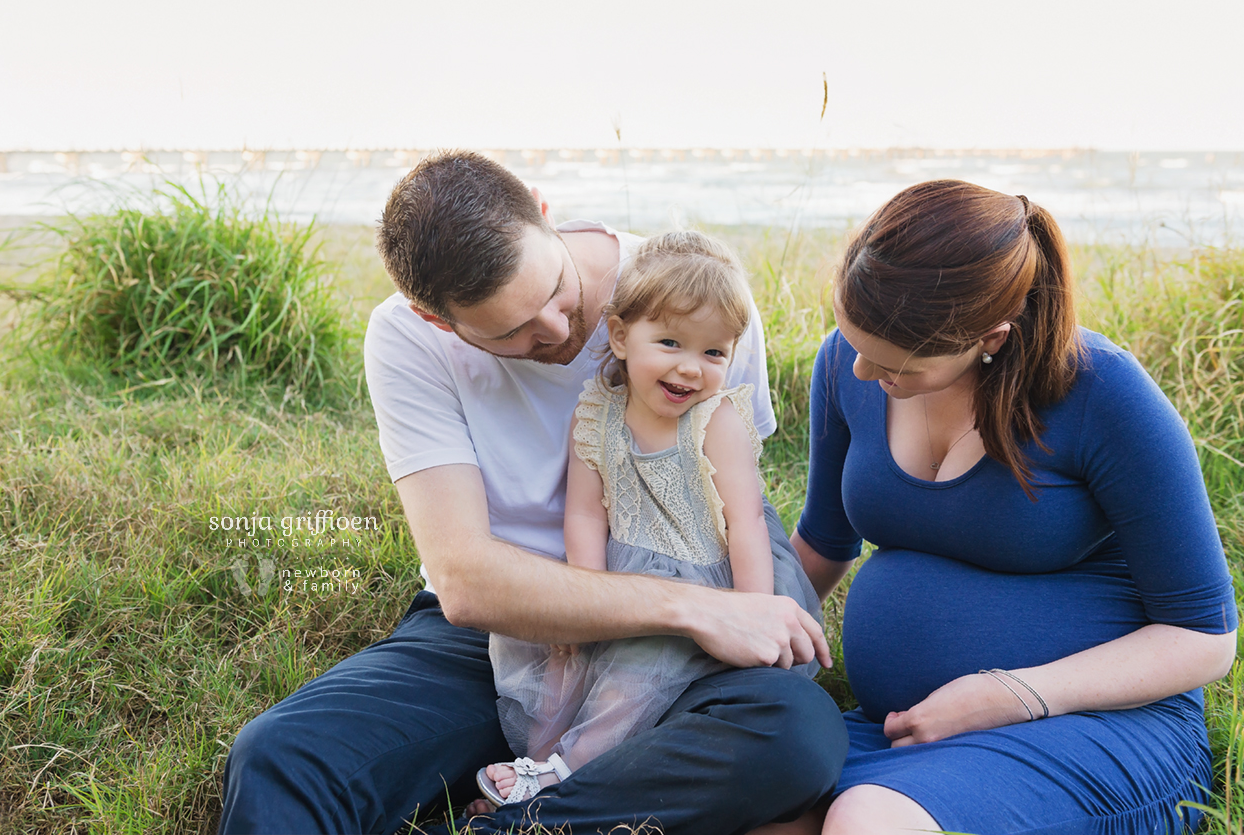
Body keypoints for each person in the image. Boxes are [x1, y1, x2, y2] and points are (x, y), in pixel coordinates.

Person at [215, 150, 848, 835]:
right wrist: (688, 609)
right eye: (508, 331)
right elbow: (467, 581)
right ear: (438, 320)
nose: (552, 331)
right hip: (508, 630)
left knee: (794, 733)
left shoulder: (692, 294)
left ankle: (515, 819)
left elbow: (737, 502)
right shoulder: (405, 340)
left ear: (544, 214)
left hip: (680, 637)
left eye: (554, 292)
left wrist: (731, 610)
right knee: (281, 756)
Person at [789, 179, 1238, 834]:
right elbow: (823, 545)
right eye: (854, 340)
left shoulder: (1102, 393)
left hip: (1090, 730)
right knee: (751, 805)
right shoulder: (849, 365)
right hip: (905, 735)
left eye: (896, 364)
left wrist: (1015, 695)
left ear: (989, 336)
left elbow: (1204, 638)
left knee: (865, 821)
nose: (860, 371)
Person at [478, 232, 825, 806]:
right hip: (623, 579)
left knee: (634, 679)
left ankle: (565, 776)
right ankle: (540, 755)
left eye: (714, 353)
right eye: (670, 342)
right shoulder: (596, 414)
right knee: (554, 664)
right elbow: (585, 513)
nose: (691, 369)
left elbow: (745, 524)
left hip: (710, 579)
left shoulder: (717, 422)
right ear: (619, 335)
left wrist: (753, 607)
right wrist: (586, 606)